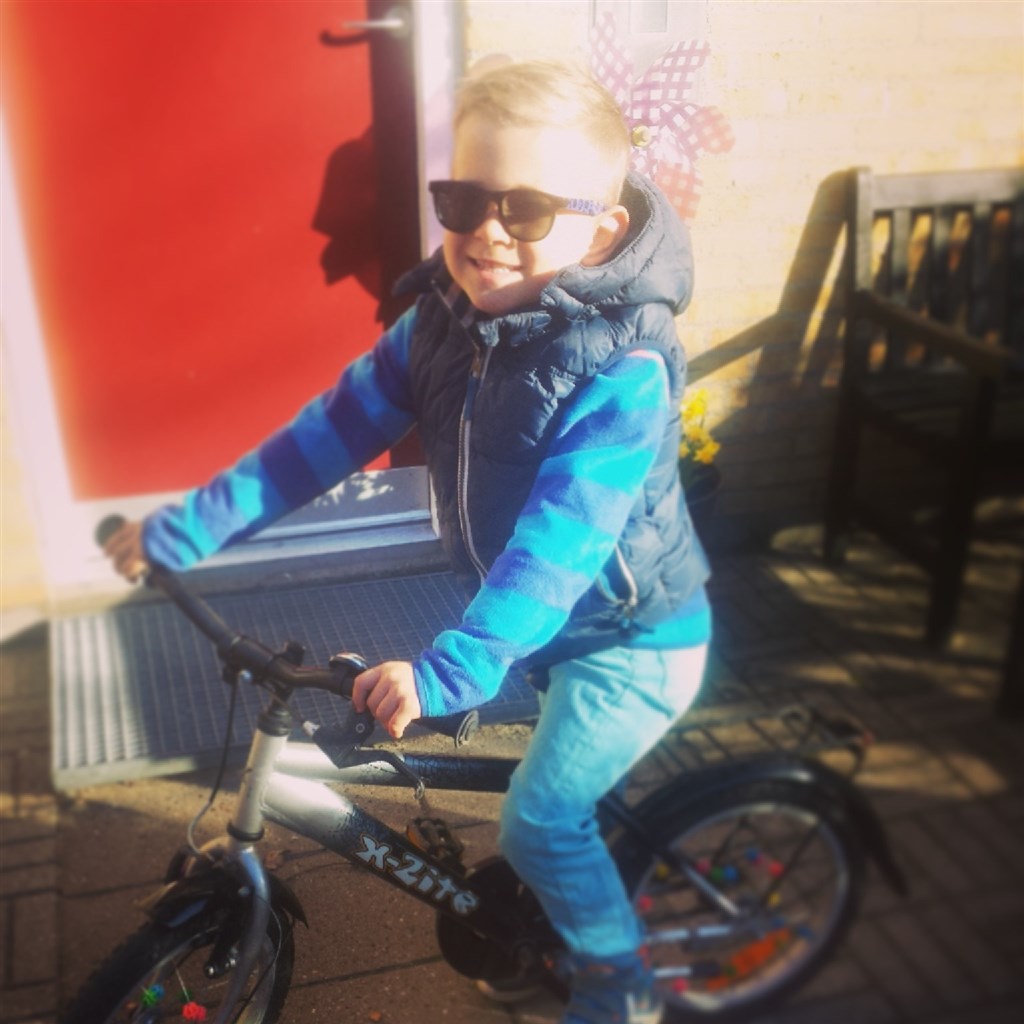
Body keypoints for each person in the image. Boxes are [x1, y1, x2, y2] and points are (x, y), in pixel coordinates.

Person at [104, 59, 711, 1024]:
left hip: (629, 640)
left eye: (526, 210)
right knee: (542, 793)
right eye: (463, 201)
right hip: (541, 623)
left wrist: (450, 671)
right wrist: (185, 530)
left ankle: (620, 986)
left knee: (541, 822)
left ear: (601, 231)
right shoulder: (441, 322)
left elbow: (562, 540)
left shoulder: (623, 367)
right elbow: (321, 439)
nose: (487, 233)